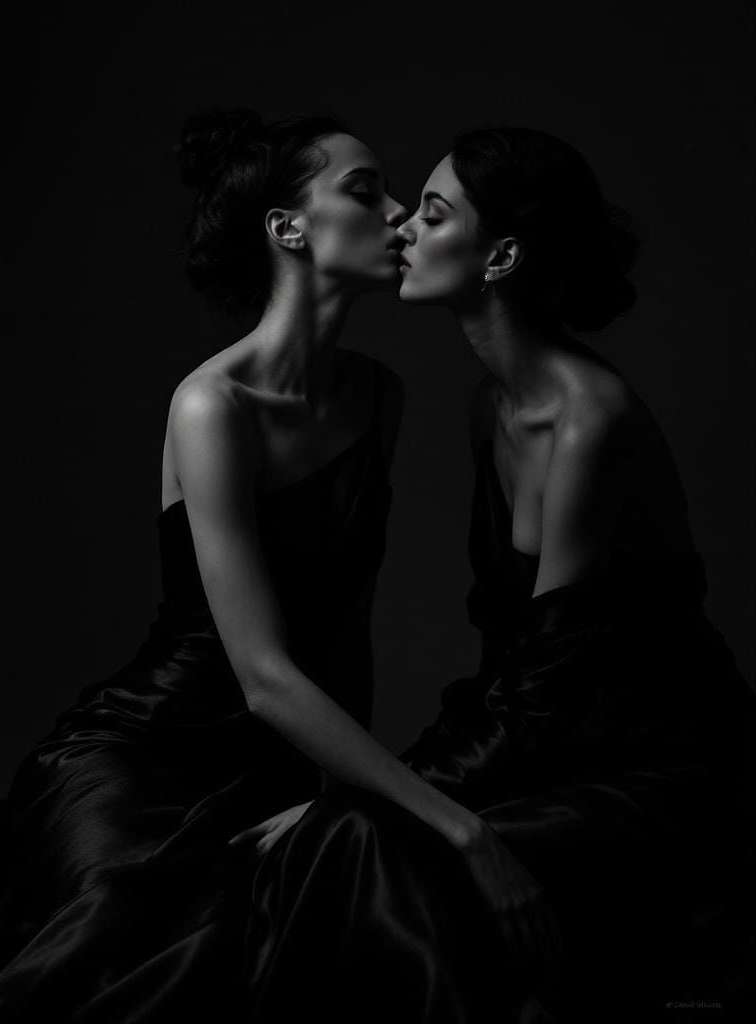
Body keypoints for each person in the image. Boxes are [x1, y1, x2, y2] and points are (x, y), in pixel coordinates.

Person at [0, 111, 535, 1023]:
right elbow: (265, 676)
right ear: (288, 229)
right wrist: (458, 825)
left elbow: (345, 630)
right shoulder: (213, 405)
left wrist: (333, 800)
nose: (402, 214)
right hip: (141, 753)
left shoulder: (377, 395)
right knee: (129, 940)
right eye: (367, 192)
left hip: (271, 766)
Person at [242, 126, 753, 1023]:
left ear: (501, 256)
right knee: (366, 838)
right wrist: (384, 792)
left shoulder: (587, 419)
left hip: (666, 770)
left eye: (432, 214)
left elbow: (548, 690)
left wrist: (376, 797)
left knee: (376, 847)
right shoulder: (493, 405)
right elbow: (508, 674)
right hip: (557, 747)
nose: (402, 228)